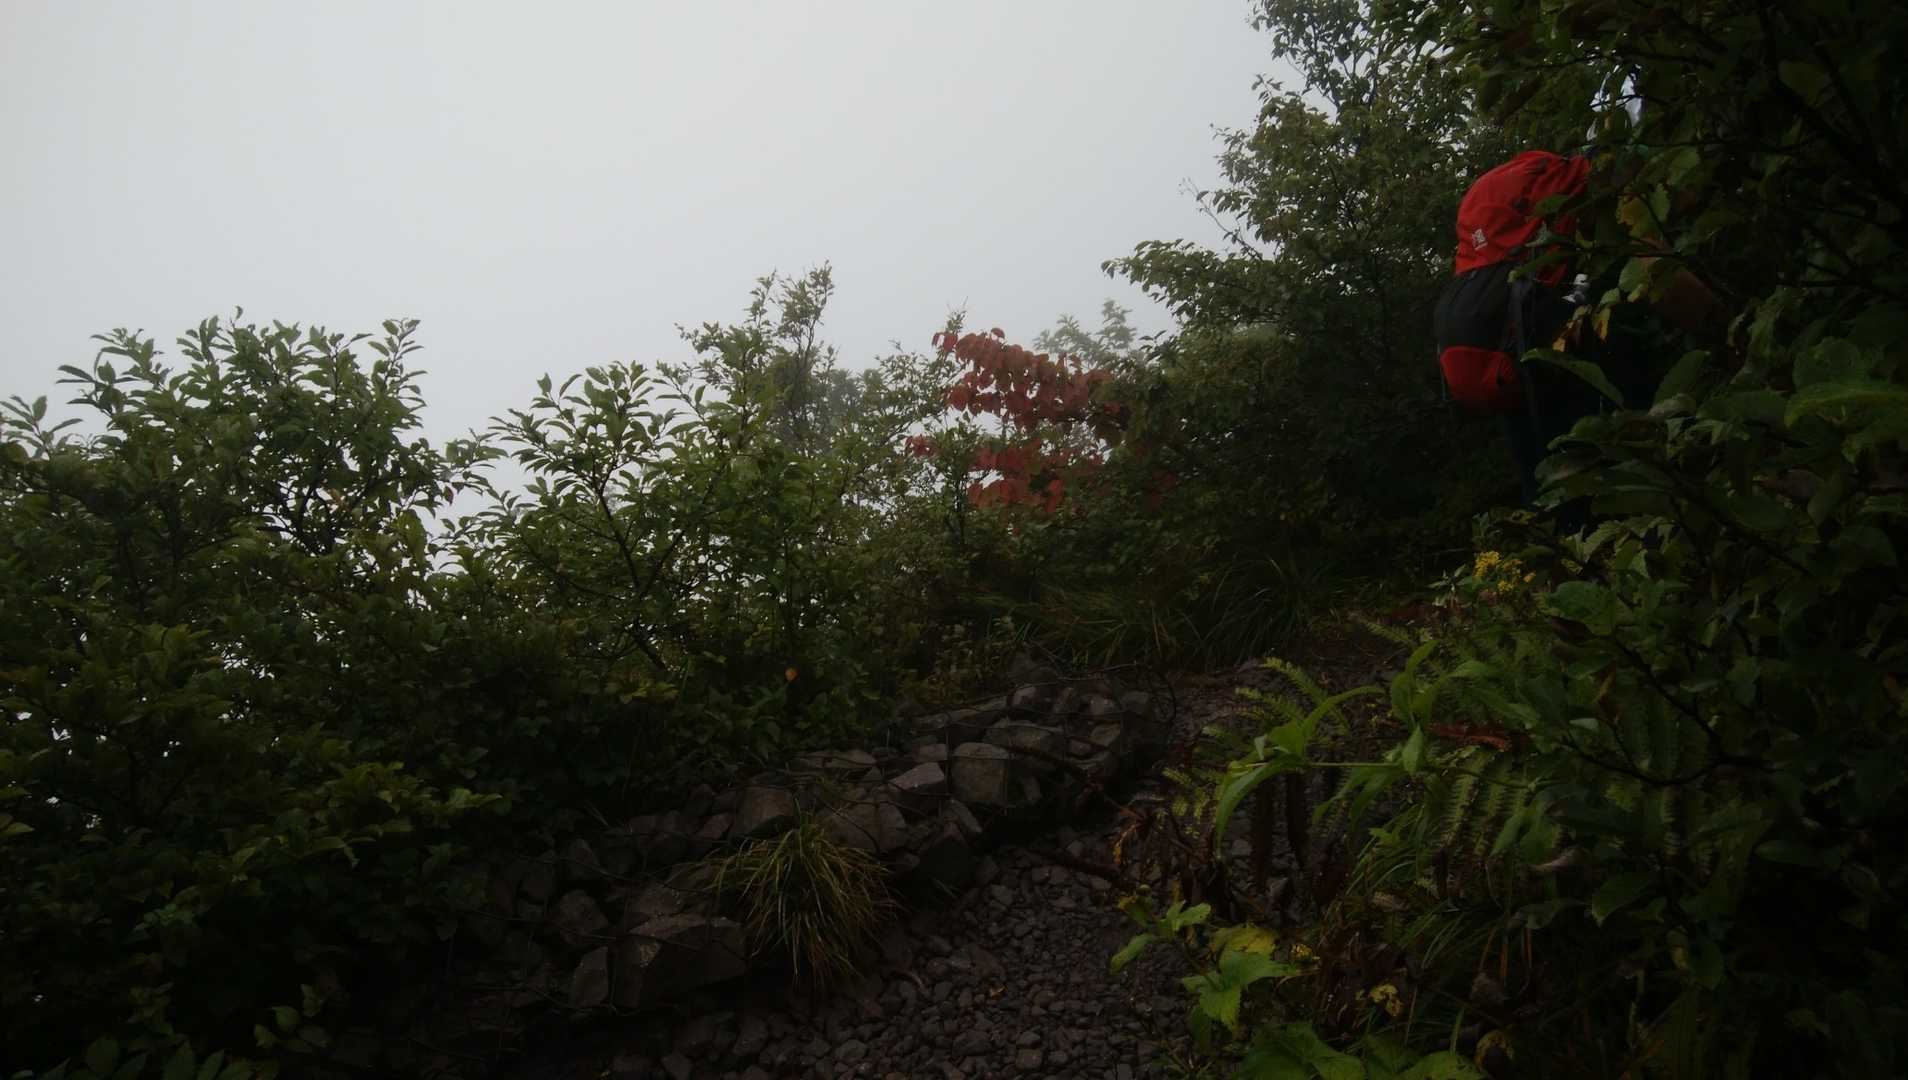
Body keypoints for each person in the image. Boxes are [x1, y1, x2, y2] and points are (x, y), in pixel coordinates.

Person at [1434, 80, 1723, 512]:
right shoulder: (1608, 203)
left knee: (1554, 502)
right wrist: (1730, 333)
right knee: (1631, 498)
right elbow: (1665, 280)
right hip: (1582, 379)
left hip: (1520, 370)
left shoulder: (1550, 202)